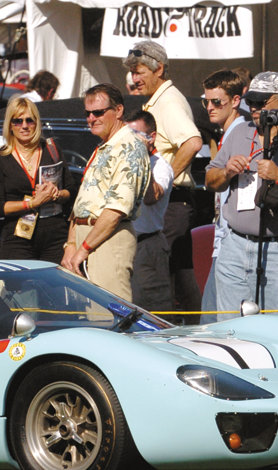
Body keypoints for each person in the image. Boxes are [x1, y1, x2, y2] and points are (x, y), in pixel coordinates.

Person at [205, 71, 278, 320]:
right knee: (230, 330)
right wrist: (227, 171)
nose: (255, 109)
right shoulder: (238, 133)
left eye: (262, 103)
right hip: (235, 246)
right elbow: (210, 180)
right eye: (251, 103)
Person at [124, 41, 204, 317]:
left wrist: (165, 180)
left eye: (139, 71)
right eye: (132, 72)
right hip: (174, 205)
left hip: (168, 205)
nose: (134, 78)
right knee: (181, 277)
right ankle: (200, 332)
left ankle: (167, 341)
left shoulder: (168, 102)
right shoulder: (161, 99)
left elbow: (193, 142)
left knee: (160, 281)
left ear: (159, 68)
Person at [61, 84, 150, 301]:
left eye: (98, 112)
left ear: (118, 111)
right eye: (88, 113)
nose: (91, 118)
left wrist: (83, 249)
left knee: (111, 317)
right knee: (87, 319)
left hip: (108, 239)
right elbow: (82, 203)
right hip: (87, 240)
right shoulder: (106, 145)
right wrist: (71, 245)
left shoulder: (130, 147)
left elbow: (116, 210)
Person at [0, 97, 74, 264]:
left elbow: (71, 190)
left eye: (29, 120)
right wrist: (32, 204)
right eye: (18, 121)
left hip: (55, 234)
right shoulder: (0, 158)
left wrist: (56, 194)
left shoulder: (51, 150)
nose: (24, 126)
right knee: (21, 289)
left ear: (37, 122)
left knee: (54, 288)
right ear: (10, 125)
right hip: (18, 237)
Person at [198, 69, 247, 324]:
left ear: (236, 101)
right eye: (206, 101)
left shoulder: (241, 131)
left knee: (215, 323)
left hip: (232, 239)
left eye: (217, 102)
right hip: (224, 237)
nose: (210, 107)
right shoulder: (228, 133)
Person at [125, 110, 174, 312]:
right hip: (123, 241)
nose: (132, 142)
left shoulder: (161, 166)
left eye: (137, 135)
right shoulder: (124, 159)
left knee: (149, 308)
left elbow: (152, 197)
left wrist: (142, 160)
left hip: (146, 245)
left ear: (151, 137)